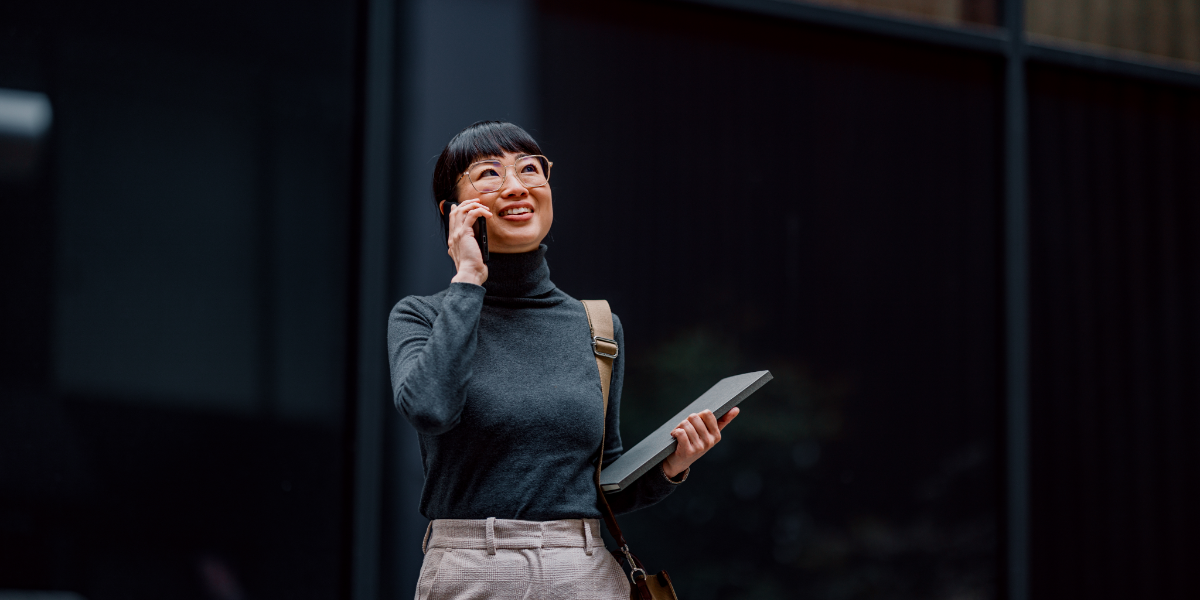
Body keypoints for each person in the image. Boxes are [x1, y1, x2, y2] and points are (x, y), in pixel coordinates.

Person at [386, 121, 739, 600]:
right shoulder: (422, 316)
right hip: (472, 570)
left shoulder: (597, 325)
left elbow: (602, 484)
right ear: (453, 212)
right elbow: (430, 408)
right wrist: (468, 278)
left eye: (530, 168)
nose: (516, 186)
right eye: (489, 173)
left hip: (583, 571)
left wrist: (672, 465)